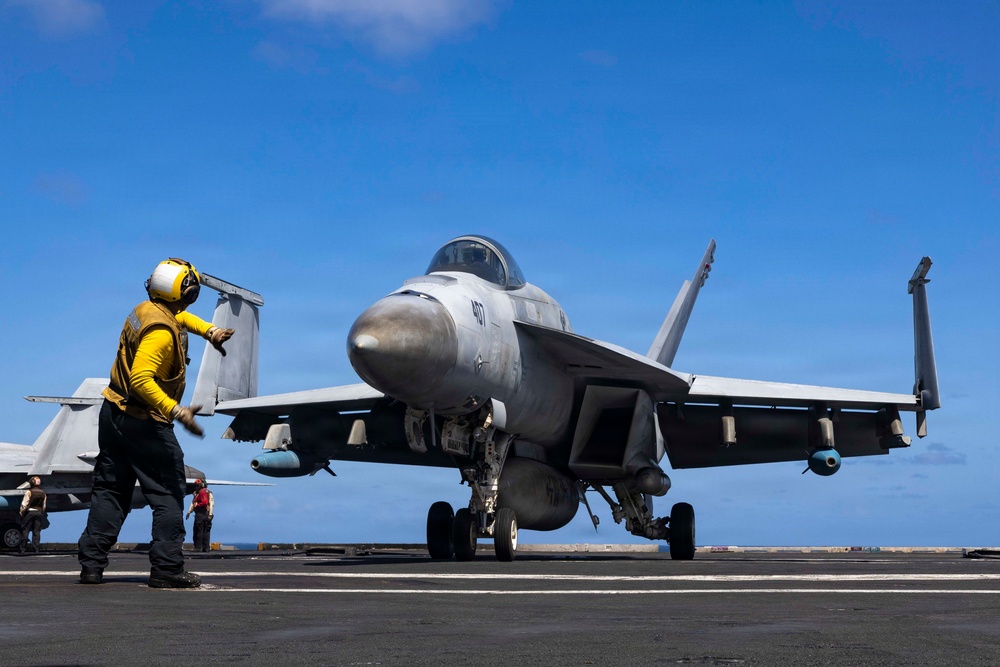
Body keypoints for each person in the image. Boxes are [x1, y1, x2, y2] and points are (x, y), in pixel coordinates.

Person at [77, 258, 234, 588]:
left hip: (113, 414)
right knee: (167, 493)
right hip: (145, 422)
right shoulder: (161, 334)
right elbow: (140, 380)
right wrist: (177, 411)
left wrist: (210, 331)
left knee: (111, 490)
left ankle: (91, 566)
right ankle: (166, 568)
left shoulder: (147, 310)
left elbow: (179, 318)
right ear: (187, 293)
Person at [185, 479, 214, 552]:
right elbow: (211, 504)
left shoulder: (201, 493)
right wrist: (210, 514)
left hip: (200, 514)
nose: (195, 487)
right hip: (207, 514)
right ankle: (206, 547)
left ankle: (198, 547)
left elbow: (203, 503)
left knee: (198, 530)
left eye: (197, 486)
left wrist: (195, 507)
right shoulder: (208, 492)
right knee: (206, 531)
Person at [19, 476, 46, 554]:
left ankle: (22, 549)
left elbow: (24, 504)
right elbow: (44, 505)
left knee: (25, 530)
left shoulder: (29, 492)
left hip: (30, 513)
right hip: (39, 513)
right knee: (36, 531)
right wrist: (41, 512)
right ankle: (36, 549)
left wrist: (21, 512)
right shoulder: (43, 493)